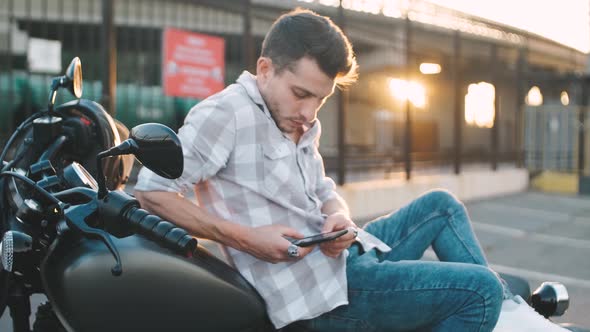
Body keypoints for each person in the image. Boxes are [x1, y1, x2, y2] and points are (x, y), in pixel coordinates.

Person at [135, 8, 569, 332]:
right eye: (300, 93)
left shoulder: (298, 120)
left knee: (441, 206)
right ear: (265, 69)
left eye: (319, 100)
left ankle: (511, 317)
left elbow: (323, 187)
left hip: (344, 259)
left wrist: (337, 213)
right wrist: (248, 239)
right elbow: (152, 192)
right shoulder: (225, 114)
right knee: (480, 291)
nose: (308, 112)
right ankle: (500, 314)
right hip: (318, 299)